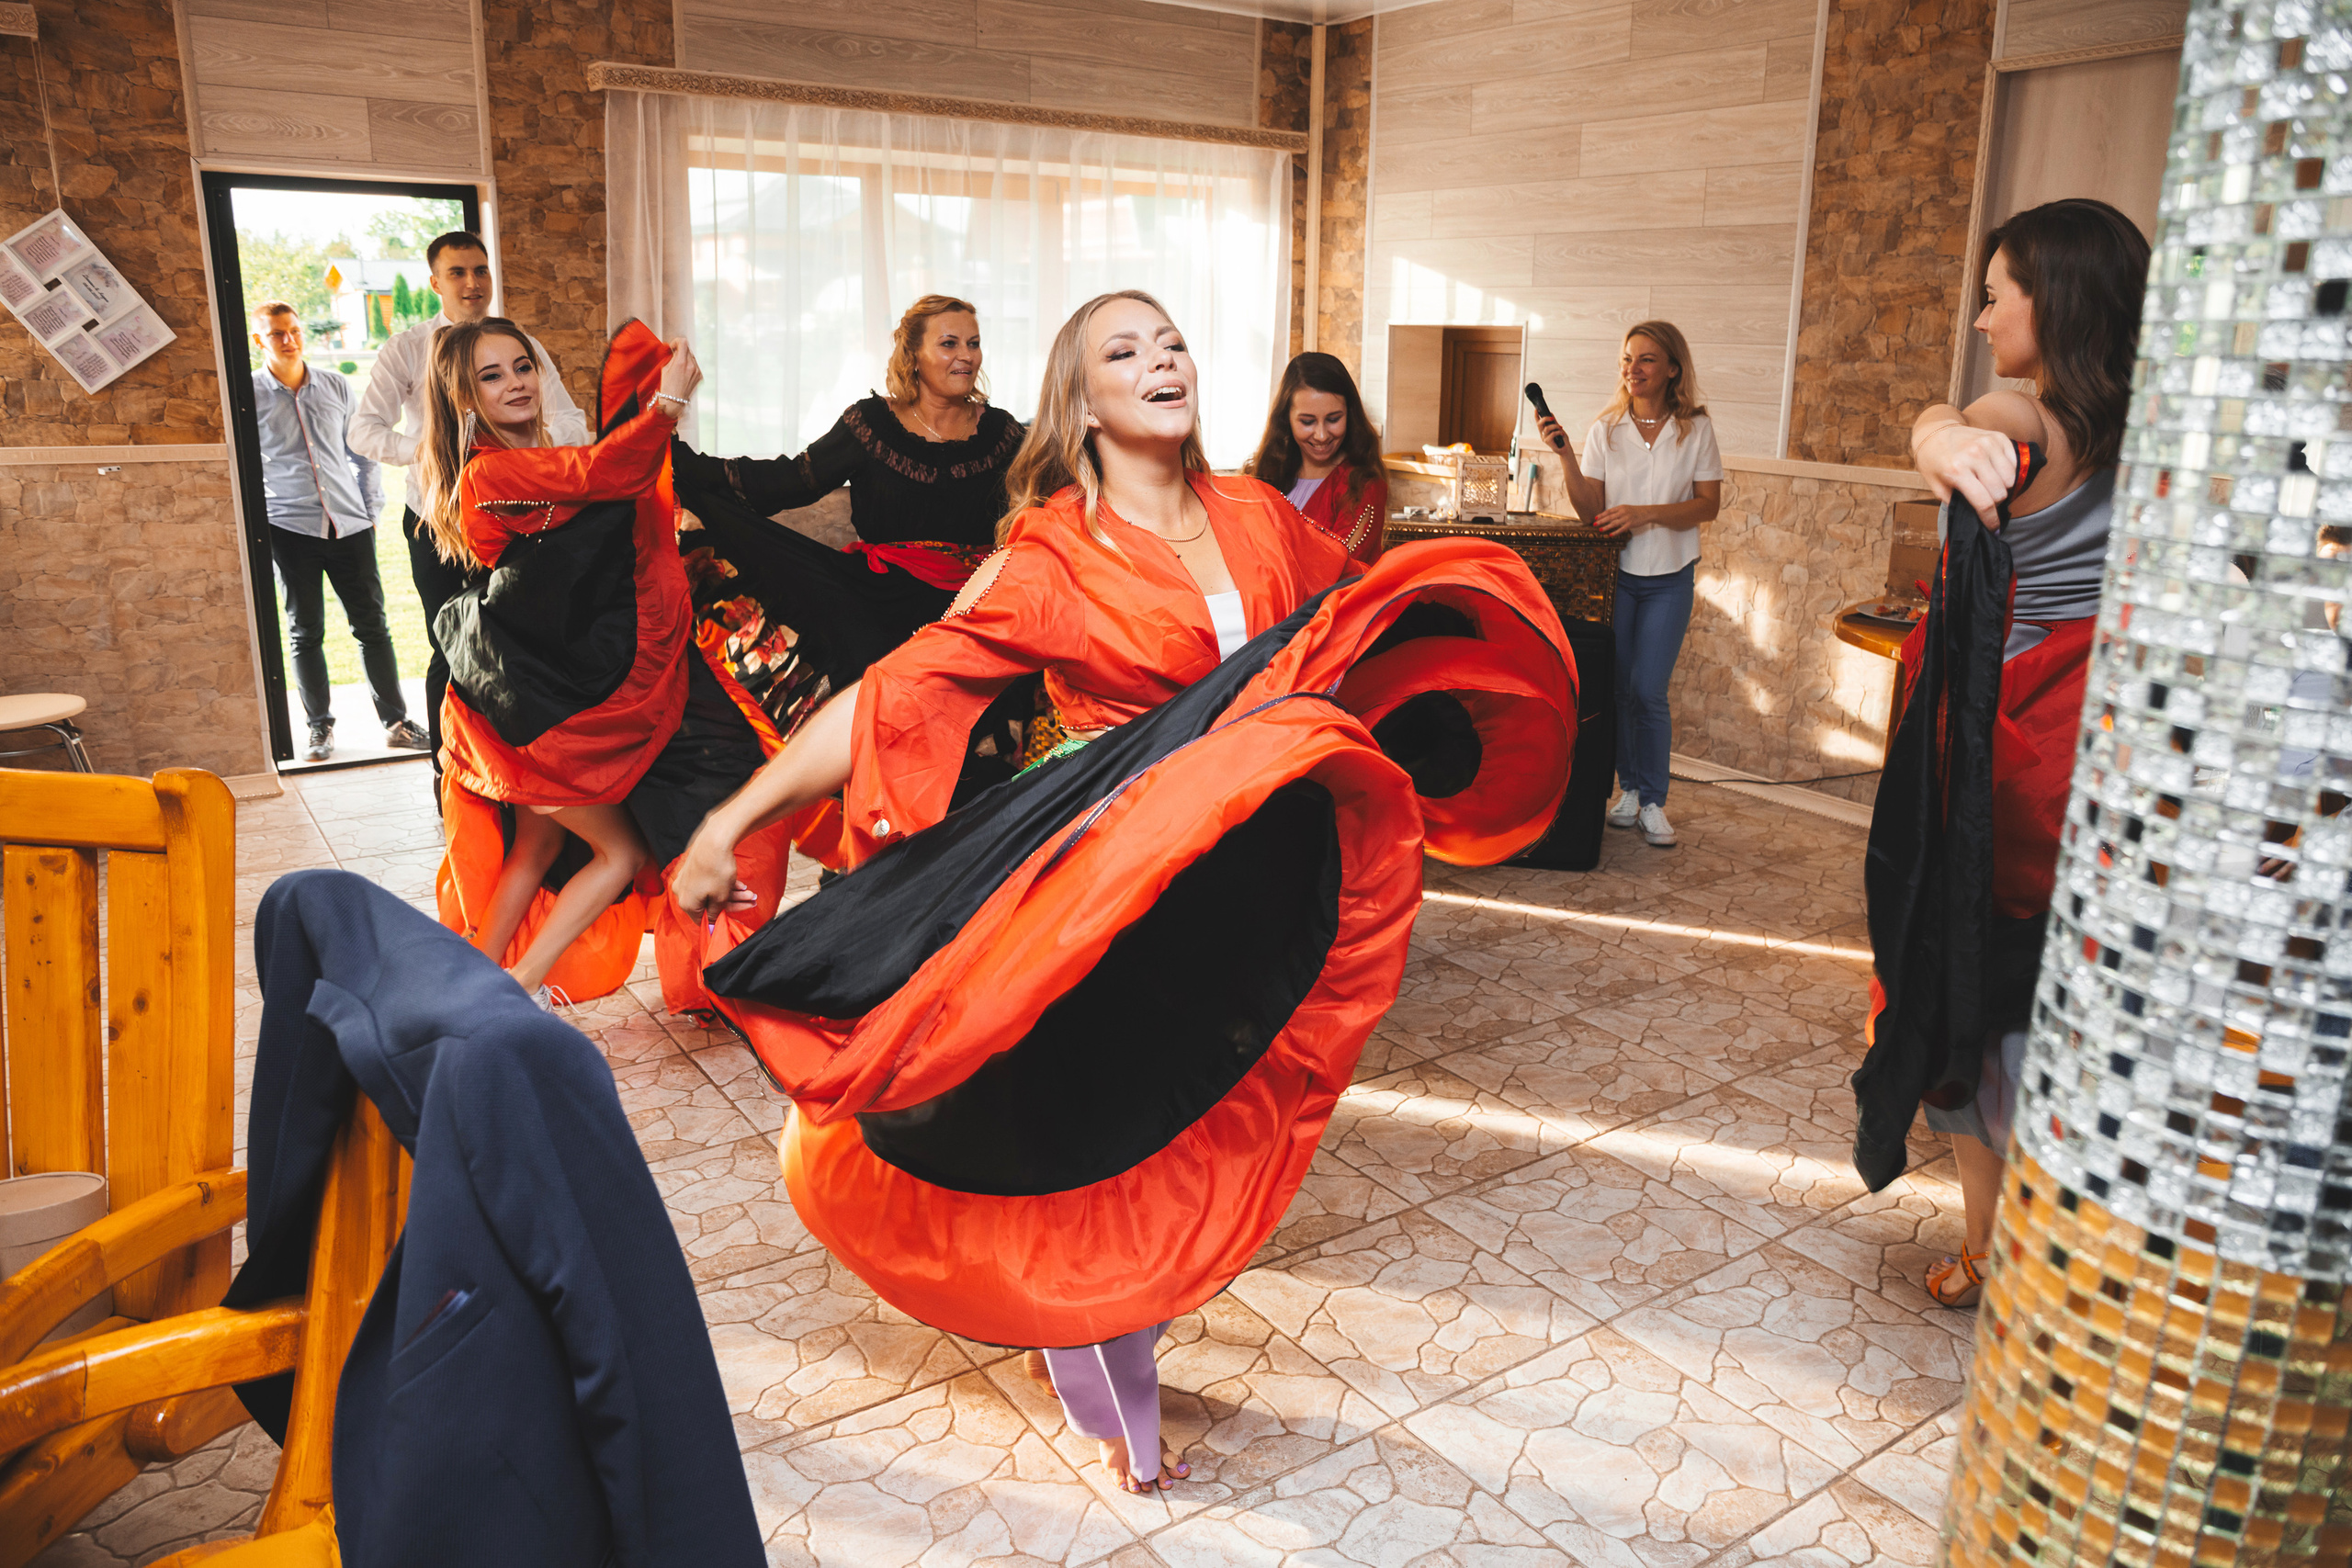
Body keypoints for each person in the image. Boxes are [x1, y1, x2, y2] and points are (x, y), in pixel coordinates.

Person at [666, 291, 1576, 1495]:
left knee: (1199, 1125)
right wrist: (728, 820)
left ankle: (1100, 1331)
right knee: (1101, 1133)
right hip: (1119, 891)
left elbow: (1344, 628)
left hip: (1250, 876)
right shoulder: (1049, 554)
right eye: (1124, 350)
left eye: (1175, 341)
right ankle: (1109, 1374)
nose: (1162, 361)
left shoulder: (1260, 517)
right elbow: (895, 696)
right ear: (1083, 403)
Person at [1872, 198, 2150, 1309]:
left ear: (2058, 299)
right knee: (2063, 1010)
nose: (1984, 319)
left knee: (1966, 992)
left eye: (1996, 296)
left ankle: (1992, 1247)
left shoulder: (2027, 420)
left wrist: (1940, 433)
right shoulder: (2144, 428)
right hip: (2108, 745)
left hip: (2008, 749)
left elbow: (1961, 419)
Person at [412, 316, 702, 1004]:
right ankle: (518, 984)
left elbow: (599, 485)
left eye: (521, 366)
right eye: (491, 375)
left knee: (536, 849)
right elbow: (604, 472)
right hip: (526, 706)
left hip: (531, 693)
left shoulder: (532, 457)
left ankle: (472, 991)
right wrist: (669, 401)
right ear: (464, 399)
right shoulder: (491, 472)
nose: (515, 383)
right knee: (622, 852)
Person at [666, 295, 1024, 747]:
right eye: (949, 343)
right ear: (913, 356)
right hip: (881, 598)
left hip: (977, 603)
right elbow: (785, 481)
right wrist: (678, 459)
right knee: (868, 684)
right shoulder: (871, 424)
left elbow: (1055, 488)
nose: (966, 356)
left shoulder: (1003, 433)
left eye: (973, 343)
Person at [348, 231, 591, 773]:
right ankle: (449, 772)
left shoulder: (515, 346)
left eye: (480, 270)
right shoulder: (407, 350)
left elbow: (571, 418)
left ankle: (520, 769)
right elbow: (363, 431)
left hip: (518, 517)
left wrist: (529, 456)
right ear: (435, 283)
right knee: (451, 645)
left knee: (513, 645)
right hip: (437, 519)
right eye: (458, 272)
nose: (472, 282)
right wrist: (439, 453)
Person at [1535, 321, 1723, 849]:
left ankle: (1655, 800)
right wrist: (1567, 456)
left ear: (1671, 369)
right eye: (1626, 359)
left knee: (1648, 691)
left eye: (1645, 359)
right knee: (1618, 692)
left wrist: (1643, 513)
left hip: (1669, 579)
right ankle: (1630, 793)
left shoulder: (1696, 429)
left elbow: (1707, 505)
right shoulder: (1607, 430)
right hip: (1615, 579)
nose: (1632, 369)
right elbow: (1592, 511)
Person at [247, 302, 429, 762]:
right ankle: (318, 728)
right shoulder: (247, 394)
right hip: (289, 526)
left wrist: (369, 510)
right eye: (276, 334)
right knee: (305, 631)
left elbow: (363, 452)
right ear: (259, 341)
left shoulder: (335, 385)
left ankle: (396, 722)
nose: (288, 341)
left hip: (349, 524)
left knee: (373, 626)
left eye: (293, 330)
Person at [1246, 350, 1387, 568]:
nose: (1321, 435)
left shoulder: (1363, 485)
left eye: (1333, 419)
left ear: (1350, 414)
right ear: (1287, 419)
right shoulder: (1262, 475)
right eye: (1307, 421)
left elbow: (1337, 572)